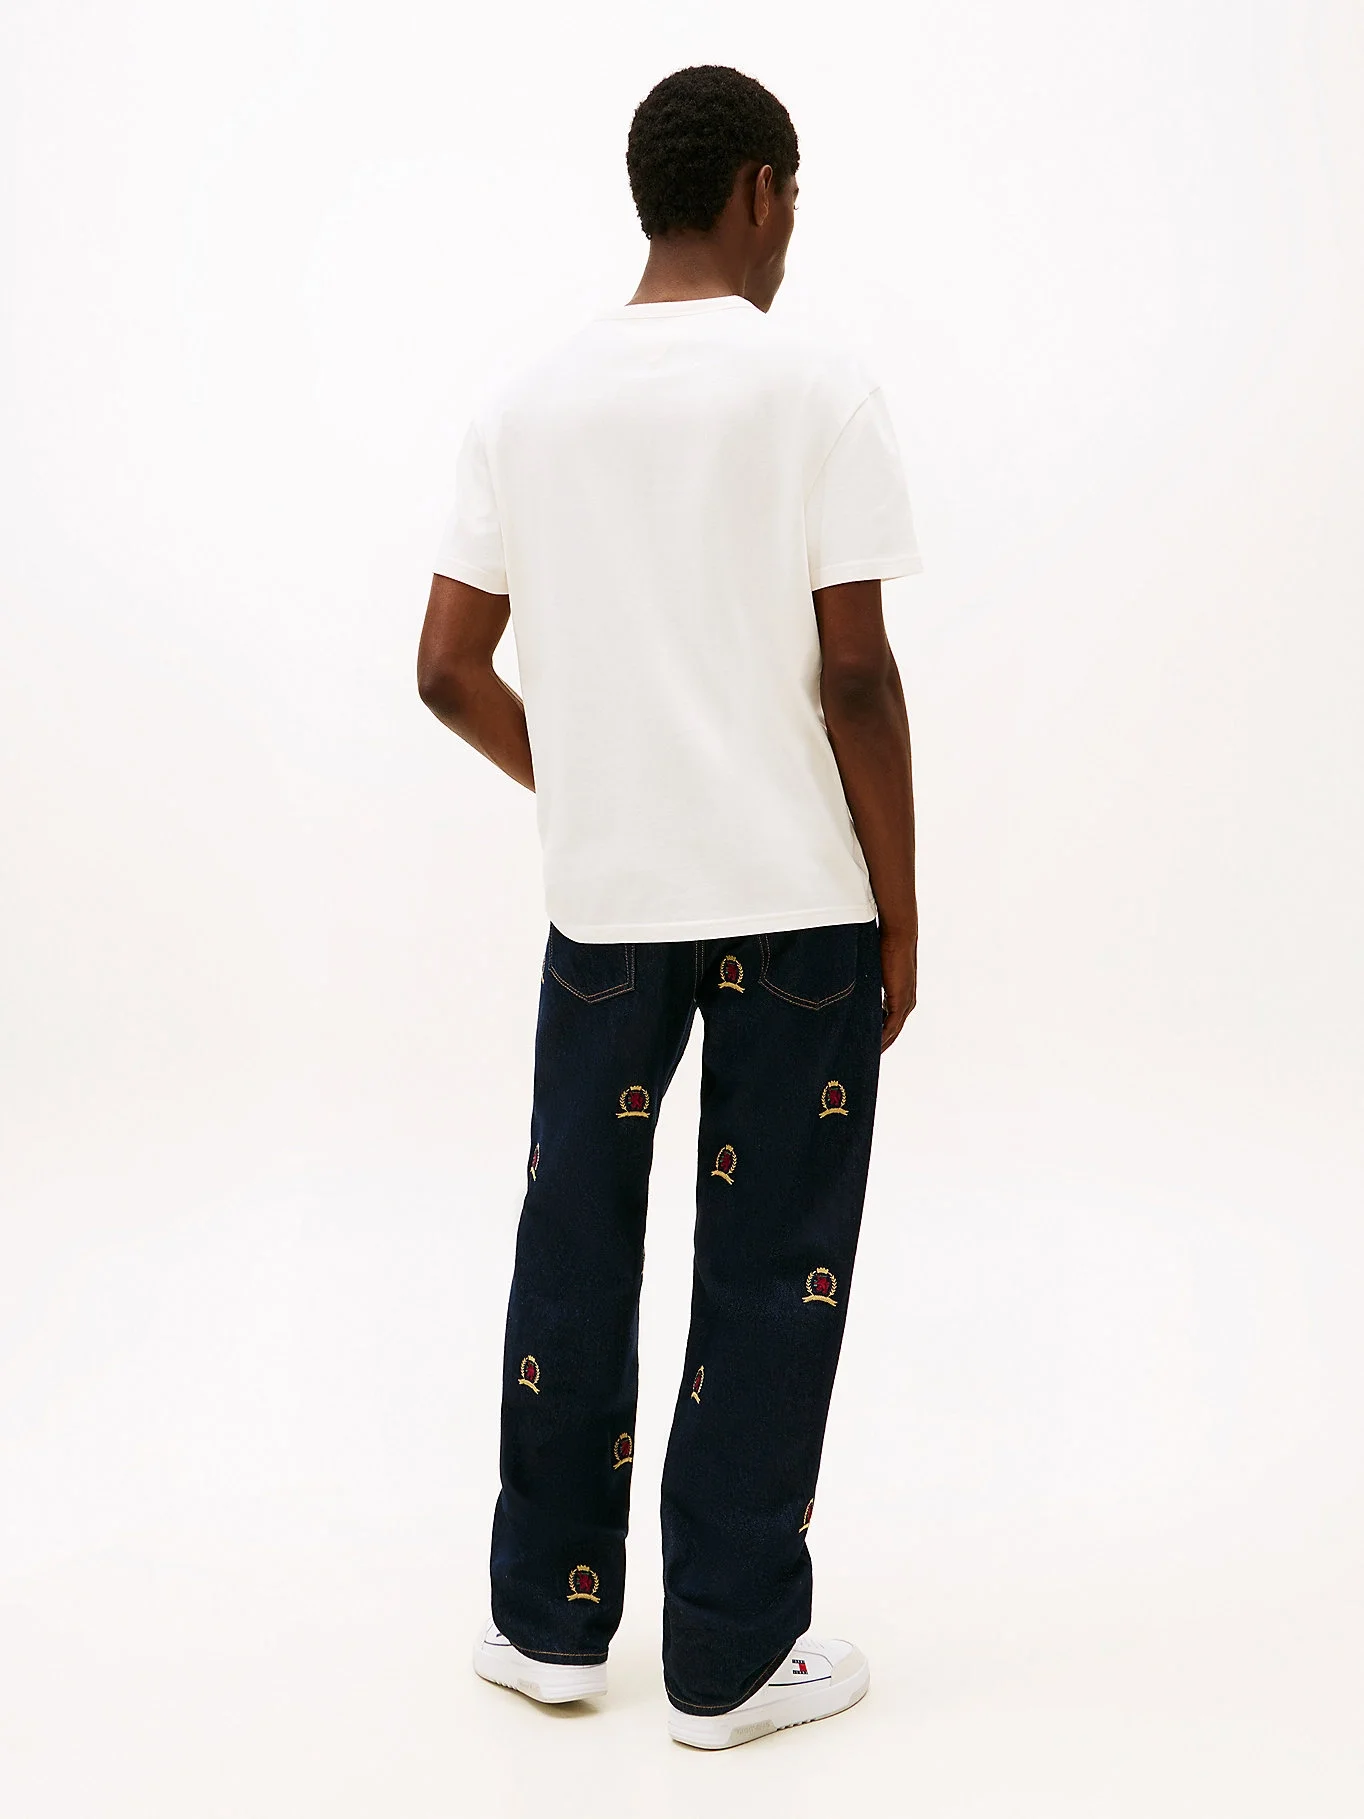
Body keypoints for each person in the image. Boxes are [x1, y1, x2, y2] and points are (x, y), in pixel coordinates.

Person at [417, 63, 921, 1750]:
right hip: (796, 903)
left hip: (609, 901)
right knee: (772, 1265)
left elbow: (445, 667)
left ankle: (548, 1625)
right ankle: (728, 1655)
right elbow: (856, 674)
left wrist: (585, 778)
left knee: (575, 1240)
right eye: (795, 205)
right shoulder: (817, 389)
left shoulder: (526, 403)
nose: (792, 238)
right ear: (759, 189)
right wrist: (902, 904)